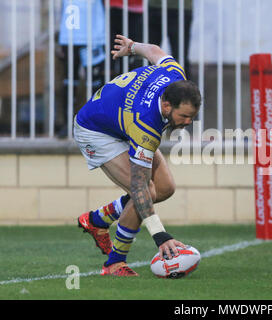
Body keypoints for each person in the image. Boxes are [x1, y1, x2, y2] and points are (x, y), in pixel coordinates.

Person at [74, 34, 201, 276]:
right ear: (166, 107)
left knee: (165, 188)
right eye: (183, 116)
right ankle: (114, 263)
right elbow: (139, 187)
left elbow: (153, 50)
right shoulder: (147, 126)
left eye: (192, 116)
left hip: (119, 121)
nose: (188, 122)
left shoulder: (175, 75)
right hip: (96, 131)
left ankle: (98, 220)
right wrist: (161, 236)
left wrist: (132, 47)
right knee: (146, 191)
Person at [57, 0, 106, 137]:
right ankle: (68, 124)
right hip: (69, 34)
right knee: (69, 80)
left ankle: (96, 123)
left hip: (93, 34)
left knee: (95, 81)